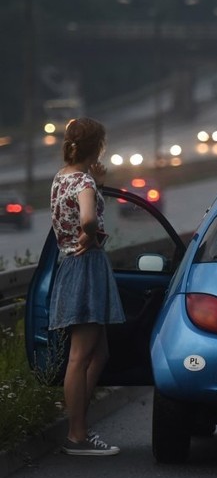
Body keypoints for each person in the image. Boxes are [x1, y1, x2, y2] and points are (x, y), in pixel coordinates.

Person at [50, 117, 125, 456]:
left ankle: (79, 424)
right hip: (86, 266)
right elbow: (89, 218)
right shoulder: (83, 182)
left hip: (68, 264)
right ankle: (77, 436)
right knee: (80, 357)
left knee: (100, 353)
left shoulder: (61, 177)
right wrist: (89, 234)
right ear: (97, 146)